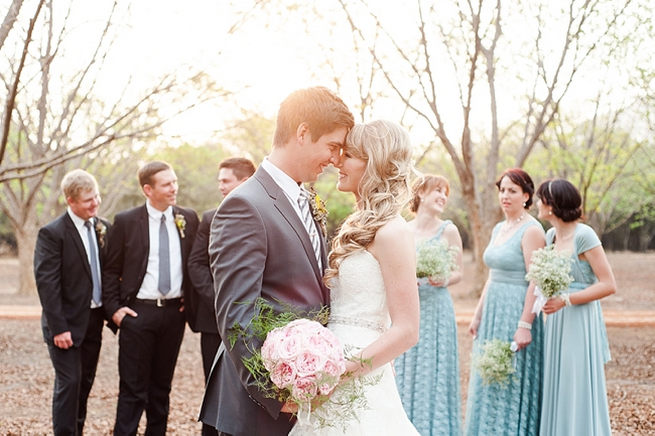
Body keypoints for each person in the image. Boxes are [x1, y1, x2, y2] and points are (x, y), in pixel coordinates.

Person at [198, 86, 355, 436]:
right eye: (332, 145)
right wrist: (275, 394)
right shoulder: (245, 205)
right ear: (302, 132)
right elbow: (236, 313)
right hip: (261, 407)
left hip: (302, 396)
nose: (334, 159)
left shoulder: (306, 197)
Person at [289, 120, 420, 435]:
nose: (336, 161)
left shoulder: (393, 231)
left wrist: (340, 372)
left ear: (373, 163)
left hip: (357, 372)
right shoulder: (358, 224)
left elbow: (406, 329)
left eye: (348, 155)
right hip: (328, 363)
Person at [102, 161, 199, 435]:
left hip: (174, 315)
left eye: (175, 182)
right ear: (148, 189)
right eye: (167, 184)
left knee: (161, 389)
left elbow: (197, 263)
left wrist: (189, 301)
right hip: (137, 315)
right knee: (132, 390)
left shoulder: (188, 218)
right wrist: (115, 310)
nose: (174, 188)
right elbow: (110, 270)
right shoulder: (126, 221)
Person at [465, 168, 545, 436]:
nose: (505, 196)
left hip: (516, 310)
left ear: (526, 195)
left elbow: (536, 280)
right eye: (502, 190)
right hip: (493, 312)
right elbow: (491, 276)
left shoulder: (532, 230)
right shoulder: (499, 228)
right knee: (490, 375)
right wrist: (478, 315)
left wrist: (525, 324)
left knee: (510, 378)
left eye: (512, 191)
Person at [536, 178, 616, 435]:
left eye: (541, 198)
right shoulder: (550, 235)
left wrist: (567, 300)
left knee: (575, 380)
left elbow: (608, 284)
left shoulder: (584, 235)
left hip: (579, 319)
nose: (537, 203)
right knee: (557, 380)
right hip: (556, 320)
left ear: (552, 204)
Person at [34, 169, 109, 436]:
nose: (95, 203)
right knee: (70, 382)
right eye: (88, 199)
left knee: (85, 382)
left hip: (94, 322)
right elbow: (47, 284)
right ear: (70, 200)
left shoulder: (103, 228)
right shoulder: (52, 234)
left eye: (97, 196)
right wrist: (59, 328)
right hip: (65, 325)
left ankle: (77, 430)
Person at [187, 157, 256, 436]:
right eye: (219, 181)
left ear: (245, 181)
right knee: (213, 388)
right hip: (214, 320)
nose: (221, 187)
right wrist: (221, 300)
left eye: (225, 181)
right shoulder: (209, 218)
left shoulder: (263, 215)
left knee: (250, 389)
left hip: (253, 321)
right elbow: (196, 264)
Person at [394, 174, 463, 436]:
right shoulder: (403, 229)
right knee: (405, 369)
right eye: (437, 191)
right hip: (406, 307)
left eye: (445, 193)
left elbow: (458, 272)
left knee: (434, 372)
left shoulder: (449, 230)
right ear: (420, 192)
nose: (442, 197)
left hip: (437, 309)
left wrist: (443, 278)